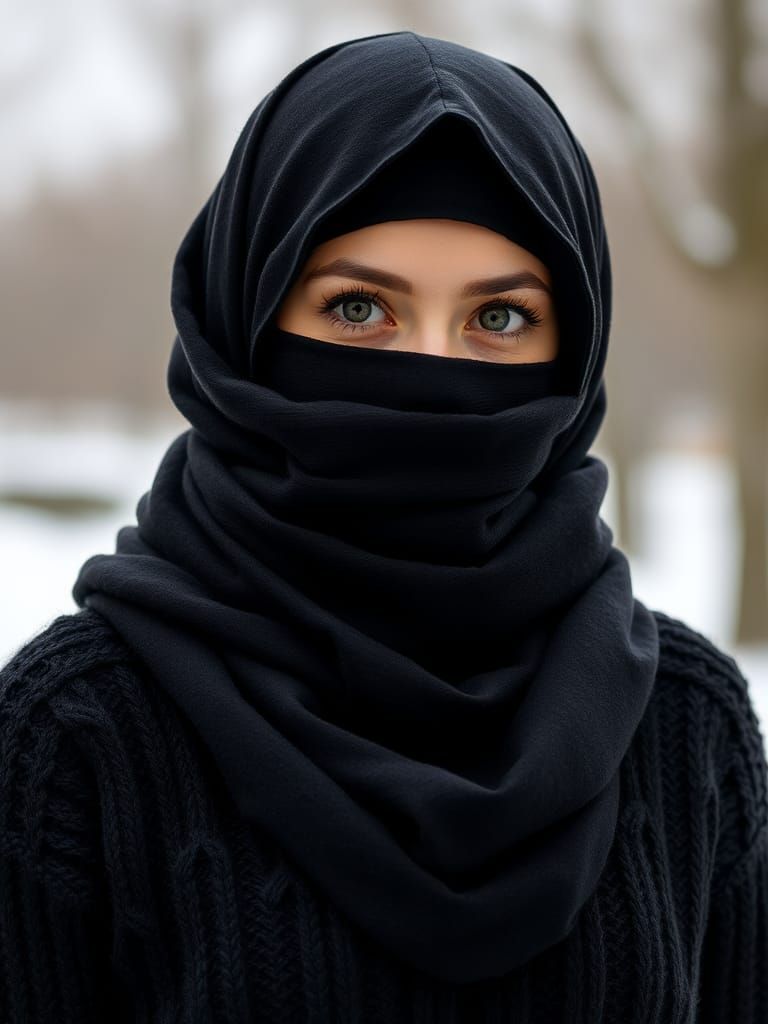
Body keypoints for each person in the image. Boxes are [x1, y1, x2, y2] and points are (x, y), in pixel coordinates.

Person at [1, 29, 766, 1023]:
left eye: (498, 320)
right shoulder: (75, 739)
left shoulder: (686, 724)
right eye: (360, 307)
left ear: (572, 351)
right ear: (249, 322)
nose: (432, 373)